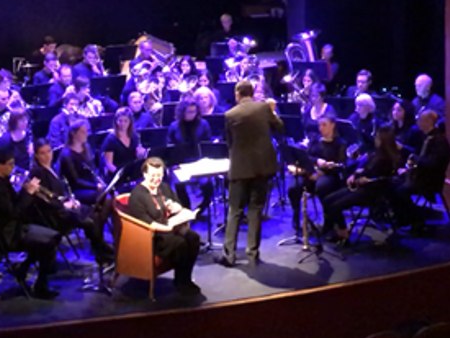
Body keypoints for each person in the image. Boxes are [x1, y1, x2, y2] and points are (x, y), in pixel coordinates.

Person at [217, 80, 282, 266]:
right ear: (252, 93)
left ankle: (229, 255)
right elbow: (280, 127)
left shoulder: (230, 114)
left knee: (235, 210)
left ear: (237, 93)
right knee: (255, 210)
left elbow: (229, 142)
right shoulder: (263, 108)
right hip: (263, 167)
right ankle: (253, 253)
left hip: (240, 168)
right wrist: (273, 110)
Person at [0, 147, 59, 299]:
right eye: (9, 164)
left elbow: (14, 205)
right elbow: (14, 213)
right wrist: (28, 194)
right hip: (6, 235)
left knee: (53, 236)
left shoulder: (2, 181)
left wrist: (25, 190)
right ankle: (40, 286)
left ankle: (23, 269)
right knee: (49, 242)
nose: (11, 167)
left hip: (15, 228)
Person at [27, 140, 115, 265]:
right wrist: (64, 204)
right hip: (55, 215)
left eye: (49, 151)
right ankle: (102, 251)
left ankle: (101, 251)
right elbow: (44, 199)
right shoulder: (37, 173)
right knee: (90, 221)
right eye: (42, 153)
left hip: (64, 208)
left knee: (96, 213)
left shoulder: (51, 168)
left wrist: (71, 200)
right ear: (36, 155)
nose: (47, 156)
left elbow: (59, 192)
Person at [127, 157, 201, 296]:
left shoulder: (164, 187)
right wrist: (169, 228)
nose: (157, 179)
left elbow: (178, 205)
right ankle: (181, 282)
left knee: (193, 238)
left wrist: (175, 207)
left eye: (159, 175)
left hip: (169, 227)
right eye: (153, 176)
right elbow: (146, 223)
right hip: (153, 235)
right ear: (145, 174)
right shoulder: (137, 195)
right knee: (180, 243)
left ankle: (185, 278)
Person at [322, 125, 400, 244]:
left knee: (334, 206)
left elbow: (381, 180)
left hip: (372, 192)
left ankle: (342, 232)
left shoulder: (386, 158)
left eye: (378, 137)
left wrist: (365, 179)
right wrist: (355, 175)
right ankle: (334, 229)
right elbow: (365, 169)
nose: (375, 139)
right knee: (327, 200)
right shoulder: (376, 153)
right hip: (361, 187)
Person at [388, 109, 450, 232]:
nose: (417, 122)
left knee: (400, 191)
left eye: (420, 120)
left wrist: (415, 160)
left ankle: (416, 220)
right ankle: (402, 217)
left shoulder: (439, 140)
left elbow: (433, 164)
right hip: (420, 175)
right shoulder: (426, 137)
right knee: (391, 183)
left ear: (429, 121)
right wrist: (409, 167)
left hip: (430, 179)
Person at [286, 114, 347, 239]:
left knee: (322, 187)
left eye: (324, 125)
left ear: (332, 125)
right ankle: (297, 218)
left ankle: (329, 223)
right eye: (319, 125)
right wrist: (317, 163)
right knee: (293, 188)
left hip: (330, 175)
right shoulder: (315, 141)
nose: (320, 128)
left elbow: (341, 164)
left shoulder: (340, 143)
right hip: (311, 173)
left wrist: (323, 171)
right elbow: (307, 157)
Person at [58, 118, 105, 206]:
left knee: (110, 193)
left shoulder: (86, 147)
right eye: (83, 132)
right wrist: (95, 186)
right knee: (104, 197)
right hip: (77, 189)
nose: (86, 134)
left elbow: (92, 169)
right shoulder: (67, 154)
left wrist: (98, 182)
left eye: (86, 131)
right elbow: (76, 180)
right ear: (73, 134)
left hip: (90, 185)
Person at [102, 108, 146, 177]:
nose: (123, 124)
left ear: (130, 122)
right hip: (117, 174)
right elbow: (109, 164)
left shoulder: (134, 136)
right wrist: (121, 176)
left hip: (131, 173)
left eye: (126, 121)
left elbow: (137, 156)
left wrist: (141, 153)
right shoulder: (111, 139)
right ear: (116, 121)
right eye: (120, 121)